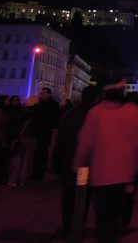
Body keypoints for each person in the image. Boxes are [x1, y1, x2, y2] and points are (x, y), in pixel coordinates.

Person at [74, 71, 138, 243]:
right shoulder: (132, 113)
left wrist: (78, 165)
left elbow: (85, 143)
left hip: (101, 174)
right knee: (115, 215)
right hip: (124, 173)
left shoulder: (96, 113)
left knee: (103, 218)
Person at [53, 85, 100, 236]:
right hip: (88, 162)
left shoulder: (69, 114)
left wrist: (57, 162)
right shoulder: (97, 116)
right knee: (84, 196)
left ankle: (68, 226)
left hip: (70, 160)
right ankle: (79, 226)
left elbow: (60, 141)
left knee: (68, 196)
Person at [33, 86, 60, 181]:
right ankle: (37, 172)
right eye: (41, 93)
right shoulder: (38, 104)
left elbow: (55, 119)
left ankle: (40, 173)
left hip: (45, 132)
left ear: (49, 94)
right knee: (38, 153)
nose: (41, 95)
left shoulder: (53, 105)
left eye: (43, 93)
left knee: (42, 152)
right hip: (38, 132)